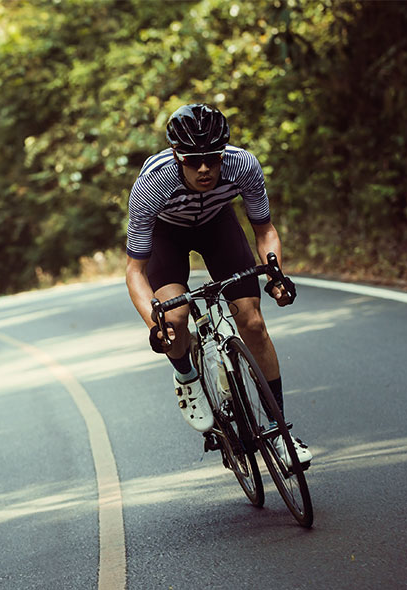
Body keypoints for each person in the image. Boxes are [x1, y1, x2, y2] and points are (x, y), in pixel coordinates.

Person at [125, 103, 311, 466]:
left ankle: (279, 433)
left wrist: (275, 276)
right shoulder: (152, 182)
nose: (205, 168)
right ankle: (187, 376)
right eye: (194, 160)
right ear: (177, 155)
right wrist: (155, 323)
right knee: (175, 321)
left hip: (217, 225)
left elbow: (265, 231)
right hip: (168, 236)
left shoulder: (243, 165)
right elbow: (135, 271)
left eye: (212, 157)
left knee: (253, 322)